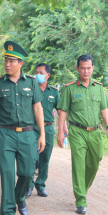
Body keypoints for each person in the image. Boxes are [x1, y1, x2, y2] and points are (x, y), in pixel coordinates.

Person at [0, 41, 46, 215]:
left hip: (27, 135)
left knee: (27, 174)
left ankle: (19, 198)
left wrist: (42, 134)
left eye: (12, 61)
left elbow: (37, 108)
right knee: (7, 176)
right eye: (6, 60)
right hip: (5, 134)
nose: (7, 64)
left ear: (21, 63)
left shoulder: (31, 83)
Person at [57, 54, 108, 215]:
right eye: (83, 68)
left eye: (89, 68)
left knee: (94, 163)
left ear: (92, 68)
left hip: (95, 132)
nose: (86, 71)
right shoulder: (70, 88)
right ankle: (81, 199)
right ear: (77, 69)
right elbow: (63, 112)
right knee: (79, 164)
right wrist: (61, 132)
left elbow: (104, 109)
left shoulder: (99, 88)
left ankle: (83, 189)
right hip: (76, 131)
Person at [25, 63, 68, 198]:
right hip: (32, 128)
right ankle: (29, 185)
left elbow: (60, 111)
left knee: (45, 158)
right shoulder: (30, 89)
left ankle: (41, 184)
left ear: (48, 75)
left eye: (41, 73)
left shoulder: (54, 92)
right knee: (31, 157)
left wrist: (64, 128)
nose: (38, 75)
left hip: (48, 128)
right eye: (36, 72)